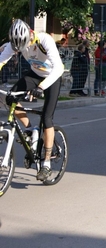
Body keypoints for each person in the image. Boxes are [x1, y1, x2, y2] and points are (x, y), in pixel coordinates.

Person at [0, 19, 64, 181]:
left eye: (25, 44)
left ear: (30, 34)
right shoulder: (13, 45)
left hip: (52, 78)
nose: (25, 48)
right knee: (10, 99)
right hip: (35, 74)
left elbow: (59, 68)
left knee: (46, 118)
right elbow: (1, 61)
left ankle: (46, 164)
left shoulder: (44, 40)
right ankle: (30, 130)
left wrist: (41, 87)